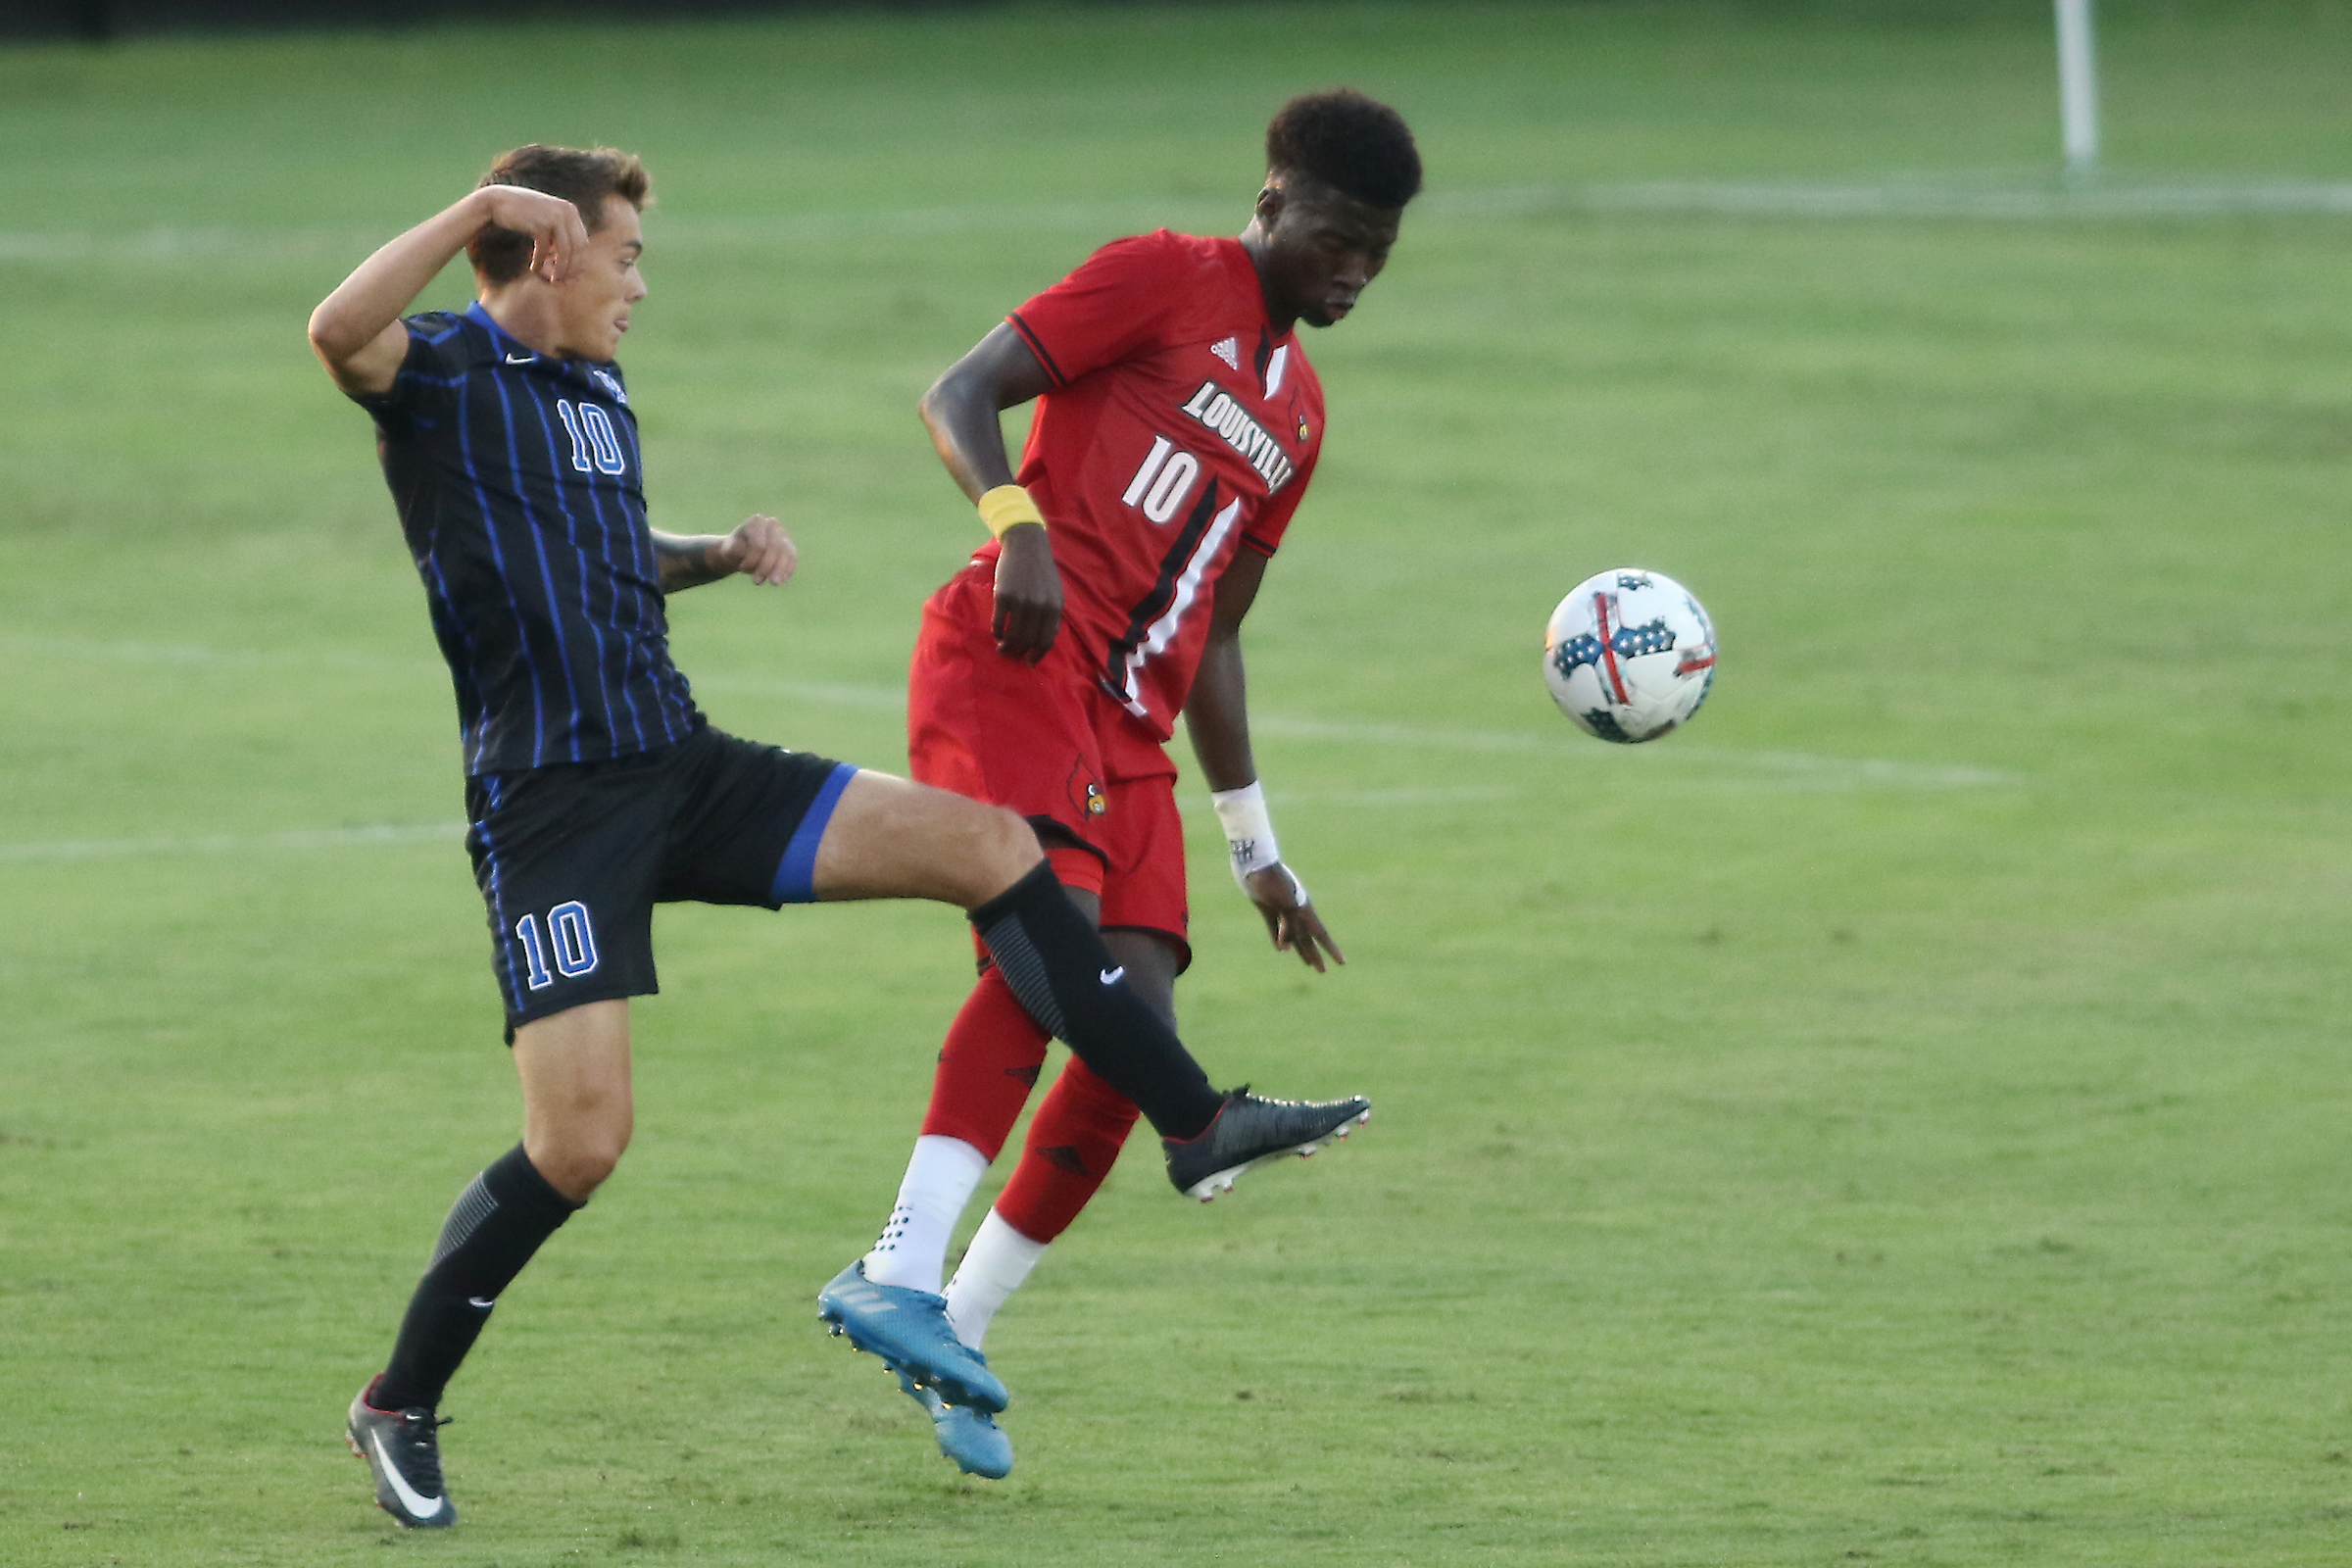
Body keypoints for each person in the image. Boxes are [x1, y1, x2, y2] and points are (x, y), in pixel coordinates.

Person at [307, 143, 1370, 1531]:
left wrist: (712, 553)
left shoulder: (593, 392)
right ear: (549, 253)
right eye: (625, 257)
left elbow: (602, 549)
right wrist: (472, 213)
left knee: (992, 845)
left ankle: (1197, 1118)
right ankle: (400, 1402)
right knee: (580, 1144)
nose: (639, 287)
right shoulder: (440, 373)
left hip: (687, 771)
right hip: (554, 815)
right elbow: (337, 332)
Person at [832, 90, 1420, 1480]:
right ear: (1272, 201)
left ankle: (958, 1334)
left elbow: (1217, 629)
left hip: (1130, 734)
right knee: (1054, 958)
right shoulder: (1164, 274)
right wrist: (1014, 519)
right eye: (1335, 235)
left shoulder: (1305, 412)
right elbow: (956, 392)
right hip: (1014, 658)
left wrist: (1253, 840)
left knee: (1124, 1038)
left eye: (1378, 255)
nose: (1351, 270)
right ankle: (895, 1268)